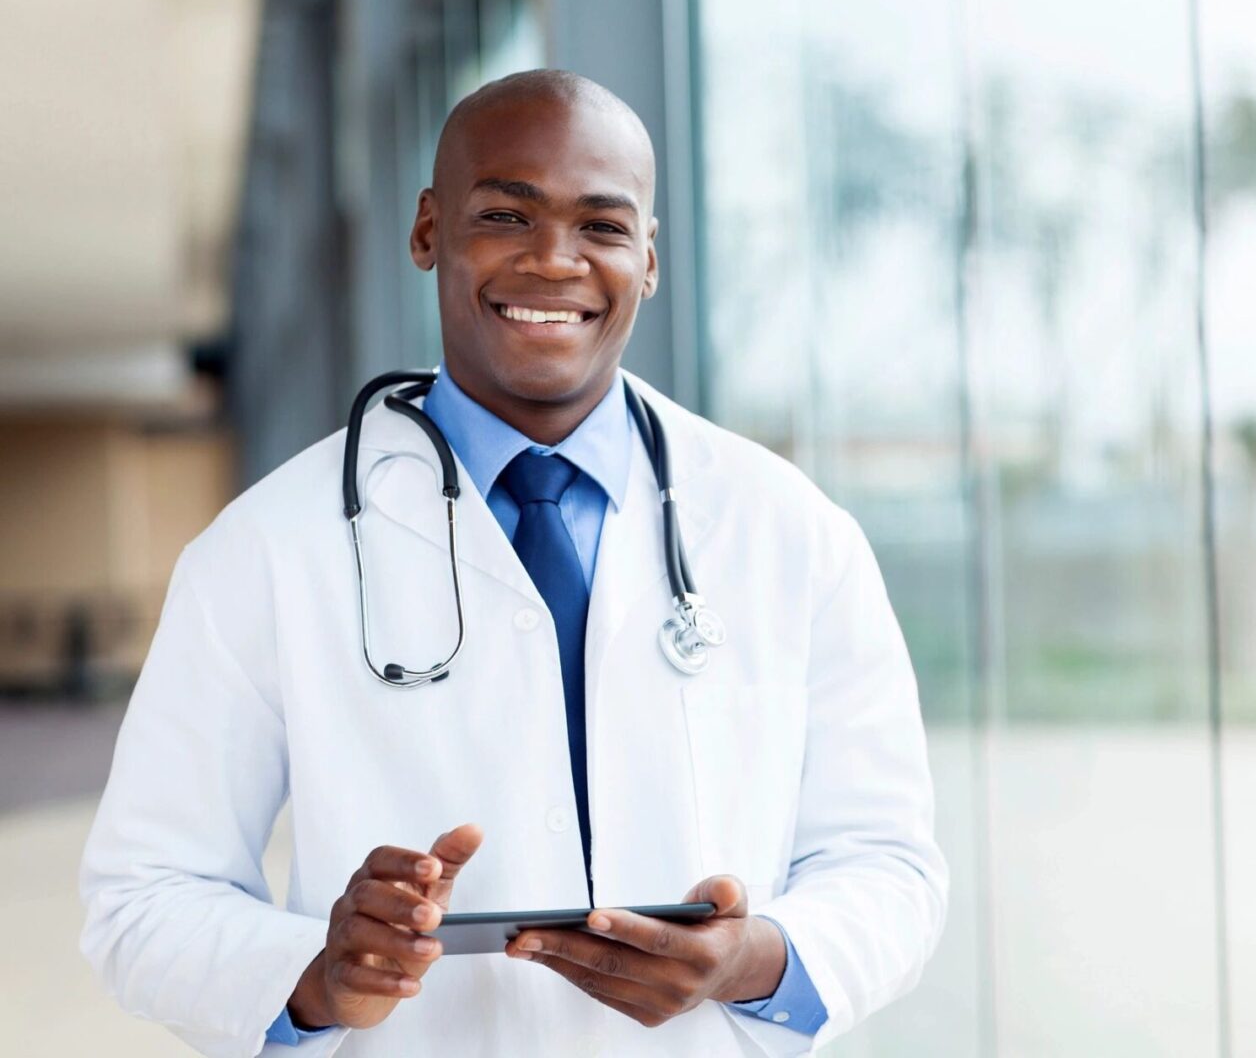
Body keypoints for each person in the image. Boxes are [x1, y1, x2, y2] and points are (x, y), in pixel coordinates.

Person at [79, 69, 946, 1057]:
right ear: (427, 232)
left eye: (603, 228)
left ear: (649, 259)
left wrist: (754, 960)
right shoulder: (266, 548)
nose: (553, 262)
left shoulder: (789, 530)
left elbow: (889, 868)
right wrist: (317, 979)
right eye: (506, 215)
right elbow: (142, 896)